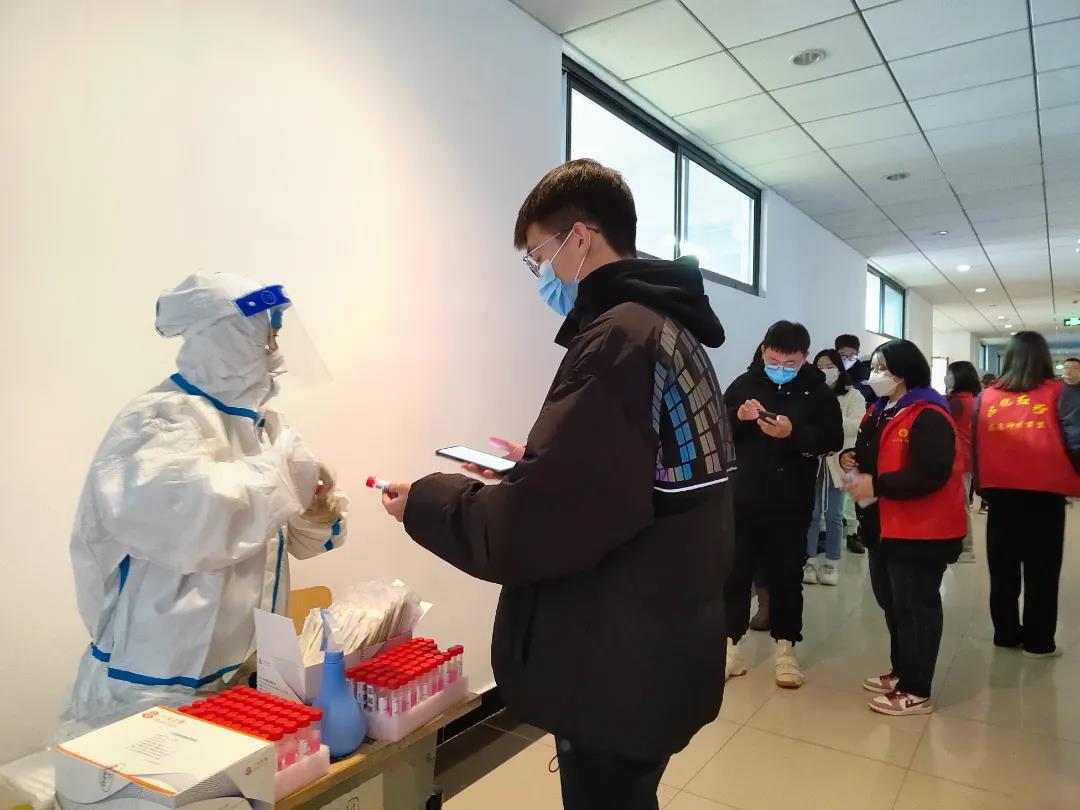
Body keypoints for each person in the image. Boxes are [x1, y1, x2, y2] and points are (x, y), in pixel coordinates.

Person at [379, 159, 735, 810]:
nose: (540, 274)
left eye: (538, 256)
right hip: (664, 640)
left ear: (581, 238)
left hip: (618, 660)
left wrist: (424, 501)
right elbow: (639, 478)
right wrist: (540, 465)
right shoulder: (669, 328)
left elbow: (536, 527)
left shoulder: (620, 337)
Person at [62, 273, 348, 733]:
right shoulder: (159, 420)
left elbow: (291, 540)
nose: (275, 349)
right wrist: (284, 477)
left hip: (245, 674)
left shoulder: (265, 428)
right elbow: (197, 525)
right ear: (226, 335)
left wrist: (318, 508)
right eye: (267, 334)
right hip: (156, 684)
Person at [841, 340, 966, 716]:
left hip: (920, 530)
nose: (875, 373)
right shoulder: (880, 410)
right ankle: (901, 671)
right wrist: (852, 459)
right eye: (874, 366)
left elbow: (931, 472)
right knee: (892, 602)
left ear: (905, 372)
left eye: (883, 367)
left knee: (916, 607)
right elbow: (871, 454)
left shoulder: (928, 414)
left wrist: (878, 485)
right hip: (883, 525)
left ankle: (916, 689)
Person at [724, 322, 843, 688]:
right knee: (735, 573)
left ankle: (786, 648)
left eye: (790, 363)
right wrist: (739, 417)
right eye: (774, 360)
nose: (780, 368)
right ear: (764, 351)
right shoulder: (745, 384)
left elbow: (832, 440)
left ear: (804, 357)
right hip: (743, 496)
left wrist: (794, 434)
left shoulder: (817, 392)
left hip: (791, 499)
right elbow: (716, 429)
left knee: (787, 575)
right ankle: (731, 646)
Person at [974, 332, 1080, 657]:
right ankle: (1038, 641)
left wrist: (982, 488)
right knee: (1043, 571)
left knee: (1002, 570)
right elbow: (1075, 440)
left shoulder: (988, 396)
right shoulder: (1060, 392)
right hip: (1045, 495)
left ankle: (1005, 634)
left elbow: (977, 444)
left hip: (1000, 494)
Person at [803, 349, 867, 586]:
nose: (825, 371)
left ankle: (832, 561)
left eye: (829, 366)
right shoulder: (810, 393)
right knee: (811, 513)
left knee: (834, 514)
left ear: (839, 369)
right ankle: (810, 560)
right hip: (813, 460)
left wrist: (831, 422)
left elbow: (858, 423)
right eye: (820, 367)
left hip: (840, 461)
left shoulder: (853, 395)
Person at [836, 334, 872, 553]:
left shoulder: (865, 375)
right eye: (842, 354)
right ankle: (836, 530)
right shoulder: (831, 374)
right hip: (833, 443)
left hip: (858, 438)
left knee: (857, 489)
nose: (847, 359)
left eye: (851, 355)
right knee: (835, 494)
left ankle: (855, 531)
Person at [946, 361, 982, 563]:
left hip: (956, 459)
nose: (947, 377)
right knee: (962, 502)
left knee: (960, 504)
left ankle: (966, 548)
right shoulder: (973, 400)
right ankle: (963, 546)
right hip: (967, 459)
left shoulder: (956, 402)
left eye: (950, 374)